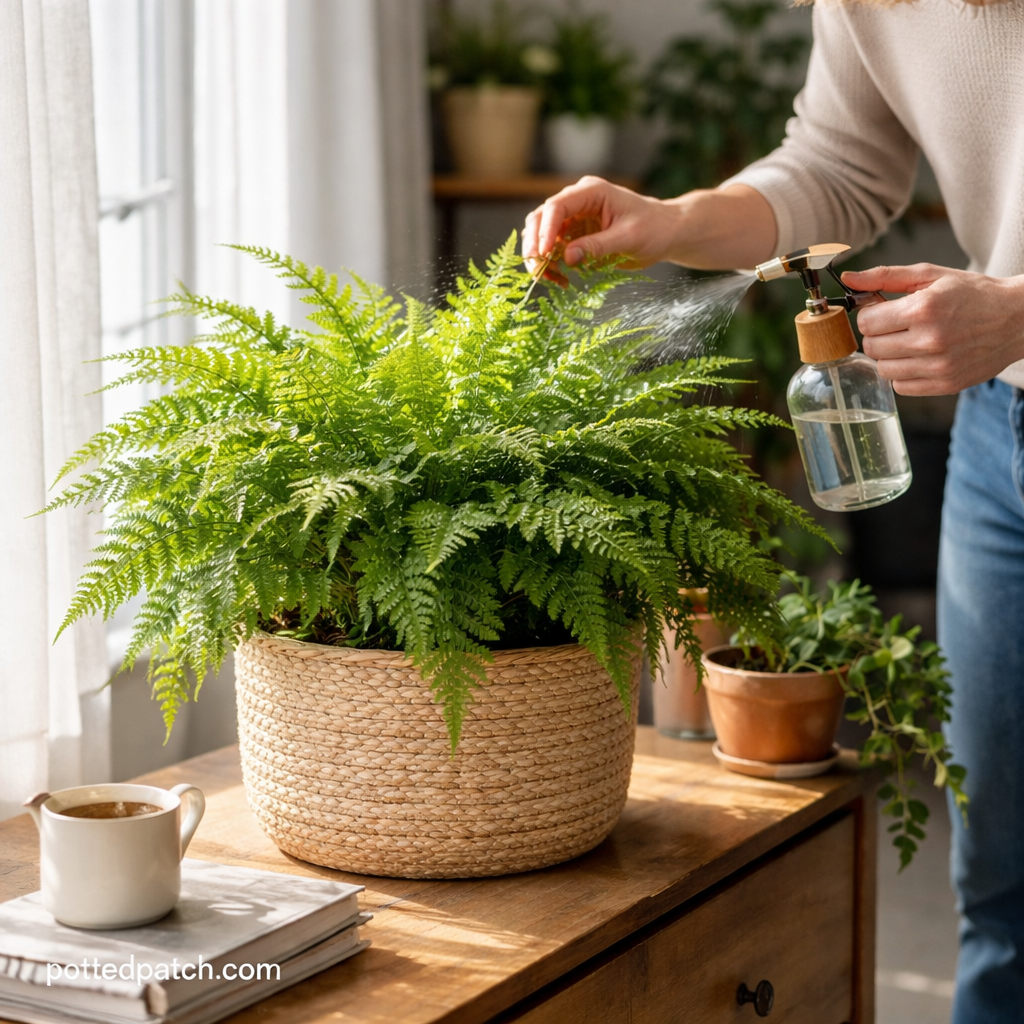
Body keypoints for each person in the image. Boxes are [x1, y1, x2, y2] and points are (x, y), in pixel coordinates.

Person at [523, 2, 1024, 1021]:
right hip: (999, 435)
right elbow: (840, 162)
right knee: (1004, 884)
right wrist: (674, 220)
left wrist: (1016, 310)